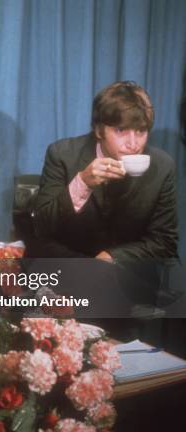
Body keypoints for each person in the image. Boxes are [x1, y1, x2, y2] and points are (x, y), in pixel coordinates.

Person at [31, 81, 178, 324]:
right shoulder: (63, 154)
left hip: (126, 275)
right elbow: (42, 226)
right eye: (121, 131)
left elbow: (164, 241)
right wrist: (83, 182)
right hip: (69, 269)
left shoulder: (162, 166)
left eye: (140, 132)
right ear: (100, 130)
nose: (133, 144)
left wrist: (112, 257)